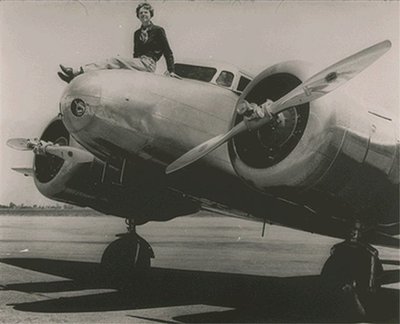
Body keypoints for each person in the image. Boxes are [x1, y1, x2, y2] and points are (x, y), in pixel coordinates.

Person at [58, 2, 176, 83]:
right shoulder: (136, 33)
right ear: (138, 17)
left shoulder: (158, 30)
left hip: (148, 63)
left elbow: (167, 51)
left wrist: (171, 70)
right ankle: (77, 79)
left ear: (150, 14)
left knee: (114, 60)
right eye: (141, 13)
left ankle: (76, 72)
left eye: (146, 12)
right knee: (113, 68)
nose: (143, 14)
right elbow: (135, 54)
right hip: (138, 63)